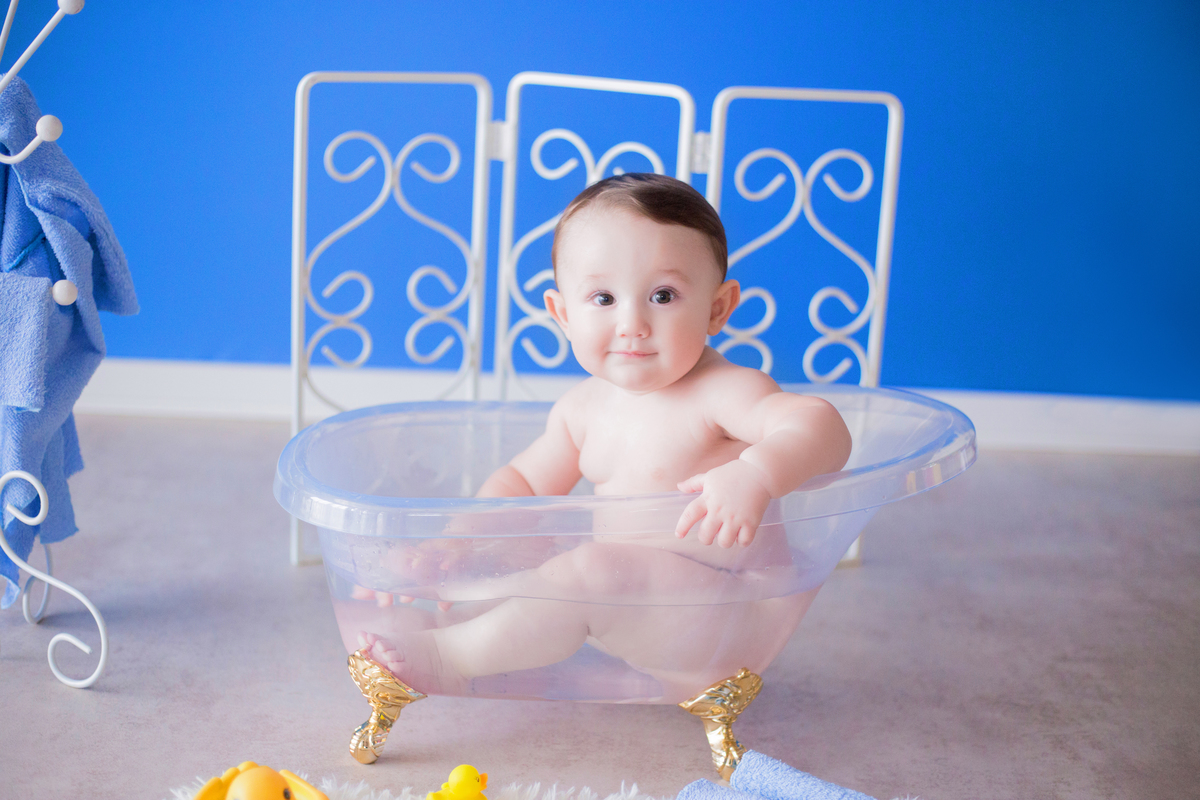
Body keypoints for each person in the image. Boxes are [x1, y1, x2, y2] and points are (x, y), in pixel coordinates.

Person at [358, 173, 852, 701]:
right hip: (633, 604)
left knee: (588, 570)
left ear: (716, 308)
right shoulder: (583, 408)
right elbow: (522, 483)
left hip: (729, 618)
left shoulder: (723, 391)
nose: (632, 323)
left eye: (663, 295)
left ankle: (450, 660)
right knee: (524, 556)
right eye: (603, 297)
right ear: (564, 314)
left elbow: (823, 427)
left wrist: (755, 474)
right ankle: (437, 617)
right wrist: (455, 542)